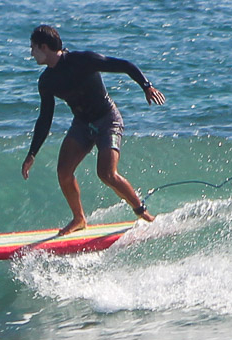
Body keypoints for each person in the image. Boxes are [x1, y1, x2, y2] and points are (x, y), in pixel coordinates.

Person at [20, 24, 166, 235]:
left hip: (108, 120)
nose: (31, 53)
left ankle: (143, 213)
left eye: (33, 48)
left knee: (107, 173)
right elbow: (45, 118)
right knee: (64, 172)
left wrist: (146, 86)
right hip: (82, 124)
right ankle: (79, 218)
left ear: (44, 47)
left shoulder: (83, 60)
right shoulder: (47, 81)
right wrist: (32, 153)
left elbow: (124, 65)